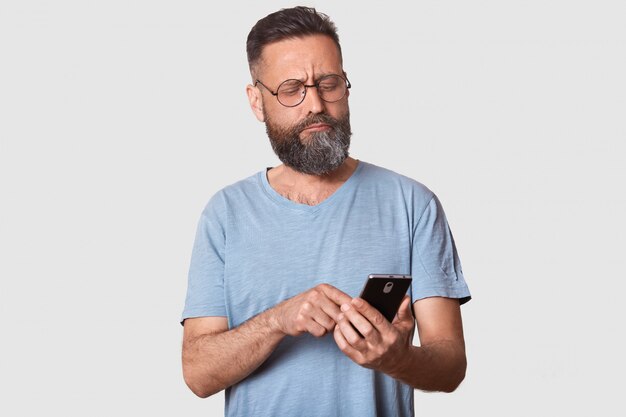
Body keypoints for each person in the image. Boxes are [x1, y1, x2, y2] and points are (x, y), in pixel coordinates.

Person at [181, 6, 471, 417]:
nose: (315, 103)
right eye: (291, 88)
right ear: (256, 101)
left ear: (346, 87)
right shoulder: (225, 214)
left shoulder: (412, 204)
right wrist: (278, 320)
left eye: (328, 83)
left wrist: (396, 359)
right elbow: (198, 374)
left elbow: (451, 366)